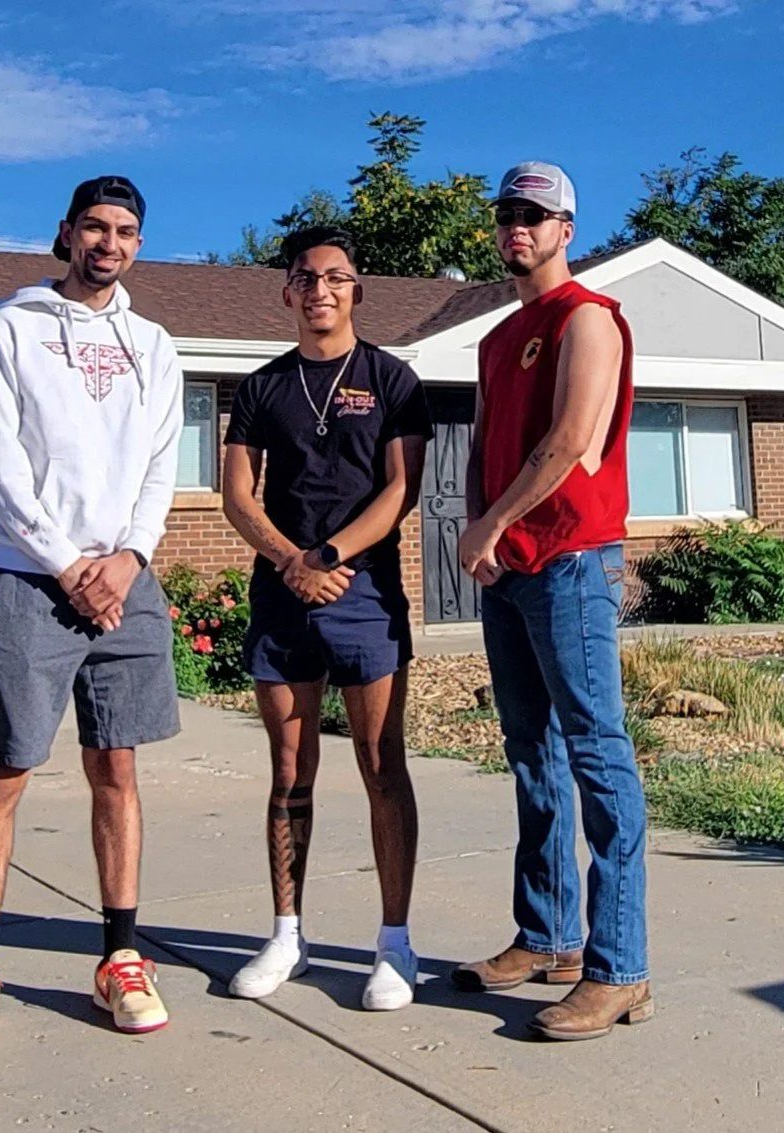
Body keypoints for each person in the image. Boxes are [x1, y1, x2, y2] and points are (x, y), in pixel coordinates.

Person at [0, 176, 185, 1056]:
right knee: (4, 773)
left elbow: (160, 463)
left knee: (116, 767)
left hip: (125, 578)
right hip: (31, 581)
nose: (108, 243)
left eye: (124, 231)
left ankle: (120, 954)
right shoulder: (10, 327)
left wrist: (127, 558)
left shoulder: (153, 343)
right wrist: (70, 563)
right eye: (94, 228)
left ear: (137, 245)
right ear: (65, 235)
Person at [451, 162, 651, 1041]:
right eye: (506, 214)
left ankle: (620, 967)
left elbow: (572, 440)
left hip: (573, 562)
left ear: (568, 226)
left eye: (533, 215)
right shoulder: (499, 337)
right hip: (511, 568)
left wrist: (491, 522)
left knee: (598, 754)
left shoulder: (589, 319)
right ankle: (549, 936)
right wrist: (477, 525)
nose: (515, 228)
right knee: (530, 751)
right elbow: (488, 444)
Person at [219, 226, 431, 1011]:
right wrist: (289, 562)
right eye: (306, 278)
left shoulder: (392, 378)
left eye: (336, 278)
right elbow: (239, 494)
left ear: (356, 290)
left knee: (381, 764)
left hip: (363, 594)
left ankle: (396, 944)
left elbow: (400, 489)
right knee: (288, 769)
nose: (321, 290)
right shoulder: (262, 386)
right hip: (283, 595)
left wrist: (331, 556)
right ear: (288, 291)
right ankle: (286, 933)